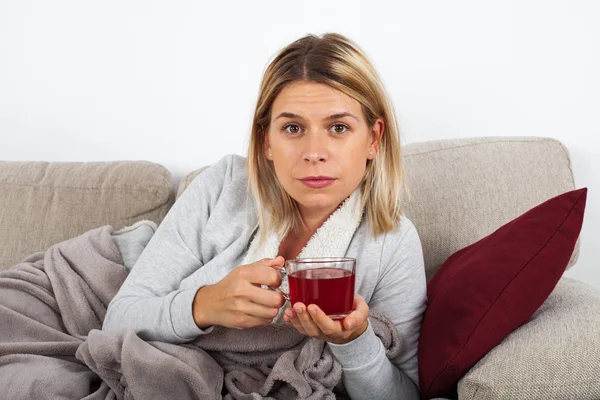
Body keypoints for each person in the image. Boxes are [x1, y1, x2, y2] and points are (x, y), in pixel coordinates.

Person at [103, 32, 427, 399]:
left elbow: (406, 392)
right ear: (267, 141)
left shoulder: (392, 243)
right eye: (293, 128)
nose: (314, 152)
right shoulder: (224, 187)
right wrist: (203, 304)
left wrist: (353, 341)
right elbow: (119, 320)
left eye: (338, 128)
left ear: (373, 138)